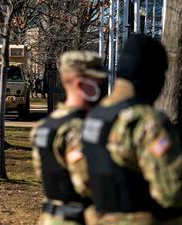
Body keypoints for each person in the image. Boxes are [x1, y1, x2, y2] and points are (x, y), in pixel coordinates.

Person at [79, 35, 182, 225]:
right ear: (152, 75)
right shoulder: (145, 121)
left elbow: (82, 183)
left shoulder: (94, 117)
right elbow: (172, 192)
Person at [30, 51, 107, 225]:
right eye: (98, 82)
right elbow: (88, 184)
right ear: (81, 84)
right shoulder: (78, 129)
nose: (103, 85)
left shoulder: (43, 127)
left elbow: (42, 172)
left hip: (50, 217)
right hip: (79, 218)